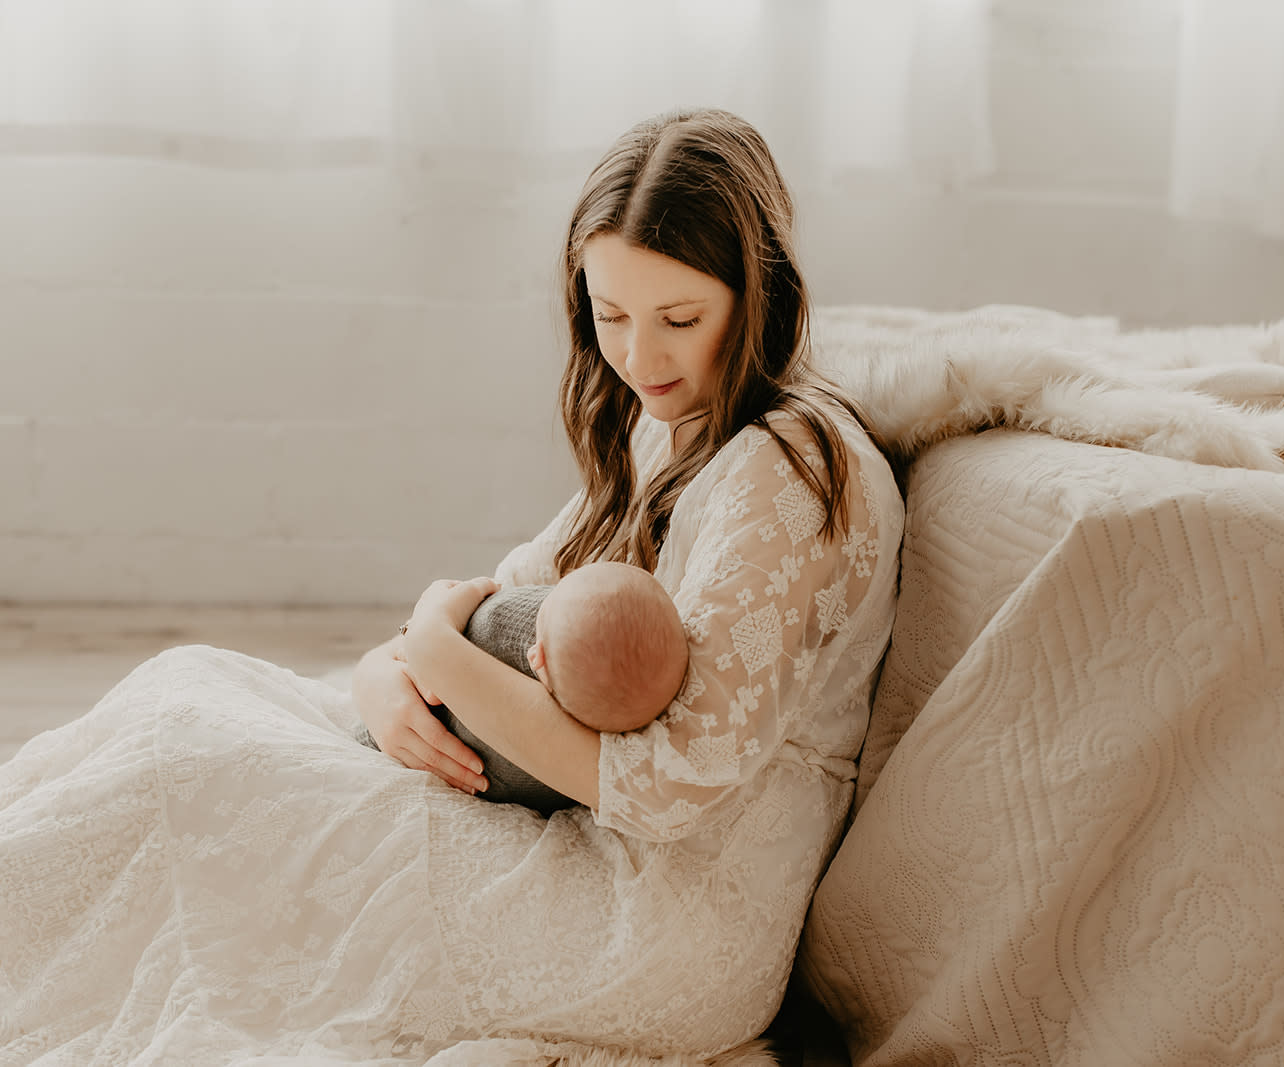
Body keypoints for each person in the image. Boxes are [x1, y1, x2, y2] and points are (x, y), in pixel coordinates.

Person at [0, 107, 904, 1063]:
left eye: (680, 319)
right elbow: (506, 594)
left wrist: (432, 652)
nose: (640, 359)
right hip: (586, 838)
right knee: (187, 697)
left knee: (199, 770)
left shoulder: (790, 471)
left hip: (659, 913)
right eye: (611, 317)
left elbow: (672, 787)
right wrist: (386, 675)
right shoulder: (673, 426)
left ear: (756, 293)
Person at [355, 561, 690, 811]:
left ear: (537, 658)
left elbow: (474, 610)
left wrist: (429, 629)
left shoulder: (510, 629)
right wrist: (375, 670)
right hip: (391, 702)